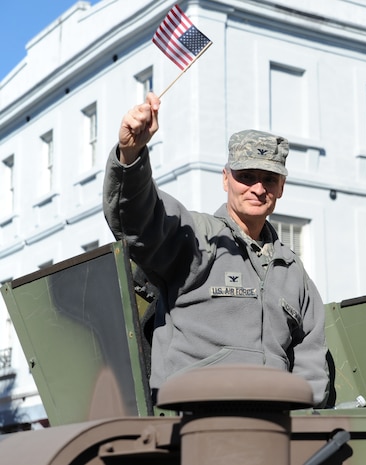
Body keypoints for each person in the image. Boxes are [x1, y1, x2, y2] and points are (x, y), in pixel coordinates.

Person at [102, 92, 329, 407]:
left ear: (281, 188)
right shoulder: (198, 238)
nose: (258, 188)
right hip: (196, 419)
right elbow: (141, 220)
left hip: (274, 429)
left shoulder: (291, 271)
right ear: (226, 179)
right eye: (246, 176)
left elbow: (310, 351)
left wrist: (306, 418)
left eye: (269, 179)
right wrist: (131, 155)